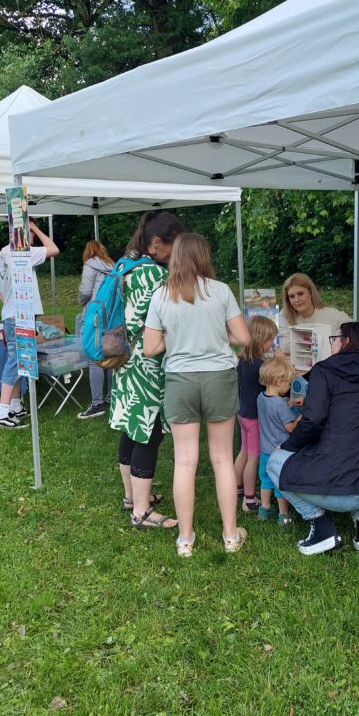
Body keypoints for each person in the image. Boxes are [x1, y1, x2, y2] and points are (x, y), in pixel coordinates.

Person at [143, 232, 251, 558]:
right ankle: (230, 535)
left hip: (180, 379)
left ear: (175, 257)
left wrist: (173, 341)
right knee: (221, 459)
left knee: (185, 461)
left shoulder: (162, 294)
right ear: (204, 256)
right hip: (218, 376)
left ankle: (185, 540)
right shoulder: (220, 291)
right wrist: (218, 338)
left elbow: (150, 349)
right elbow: (243, 338)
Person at [267, 322, 359, 555]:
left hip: (340, 488)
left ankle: (320, 527)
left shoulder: (325, 370)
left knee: (274, 463)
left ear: (345, 341)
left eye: (335, 338)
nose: (333, 343)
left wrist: (288, 446)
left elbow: (313, 421)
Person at [110, 210, 185, 530]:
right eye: (173, 247)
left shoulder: (124, 264)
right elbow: (165, 322)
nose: (175, 255)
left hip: (125, 360)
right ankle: (141, 512)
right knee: (149, 431)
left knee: (131, 426)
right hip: (147, 365)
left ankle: (131, 496)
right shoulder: (153, 276)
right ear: (157, 243)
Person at [0, 219, 59, 428]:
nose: (32, 238)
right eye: (29, 233)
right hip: (19, 315)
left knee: (19, 358)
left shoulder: (3, 253)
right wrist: (36, 228)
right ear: (24, 232)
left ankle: (14, 405)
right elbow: (53, 249)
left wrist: (9, 307)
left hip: (11, 313)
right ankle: (3, 412)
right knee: (15, 359)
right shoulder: (23, 253)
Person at [234, 314, 278, 514]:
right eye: (271, 340)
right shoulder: (260, 366)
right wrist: (279, 363)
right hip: (254, 418)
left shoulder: (244, 360)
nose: (272, 343)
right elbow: (275, 384)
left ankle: (237, 487)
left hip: (242, 414)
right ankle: (250, 499)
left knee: (244, 452)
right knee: (254, 457)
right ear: (261, 339)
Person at [257, 357, 300, 524]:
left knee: (266, 480)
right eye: (288, 383)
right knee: (280, 483)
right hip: (280, 452)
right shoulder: (280, 405)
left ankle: (265, 509)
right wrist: (299, 418)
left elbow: (272, 413)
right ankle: (284, 515)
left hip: (265, 450)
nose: (289, 386)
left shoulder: (261, 397)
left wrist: (289, 403)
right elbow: (289, 428)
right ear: (279, 381)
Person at [77, 240, 114, 419]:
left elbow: (85, 292)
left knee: (94, 358)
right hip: (110, 316)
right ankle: (111, 398)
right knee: (110, 355)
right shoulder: (112, 266)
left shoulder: (90, 265)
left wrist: (81, 302)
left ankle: (97, 403)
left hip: (93, 316)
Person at [277, 273, 351, 359]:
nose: (296, 300)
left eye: (300, 294)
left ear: (311, 292)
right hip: (297, 368)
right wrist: (321, 344)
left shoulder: (333, 315)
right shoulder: (284, 315)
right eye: (292, 296)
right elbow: (284, 346)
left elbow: (357, 333)